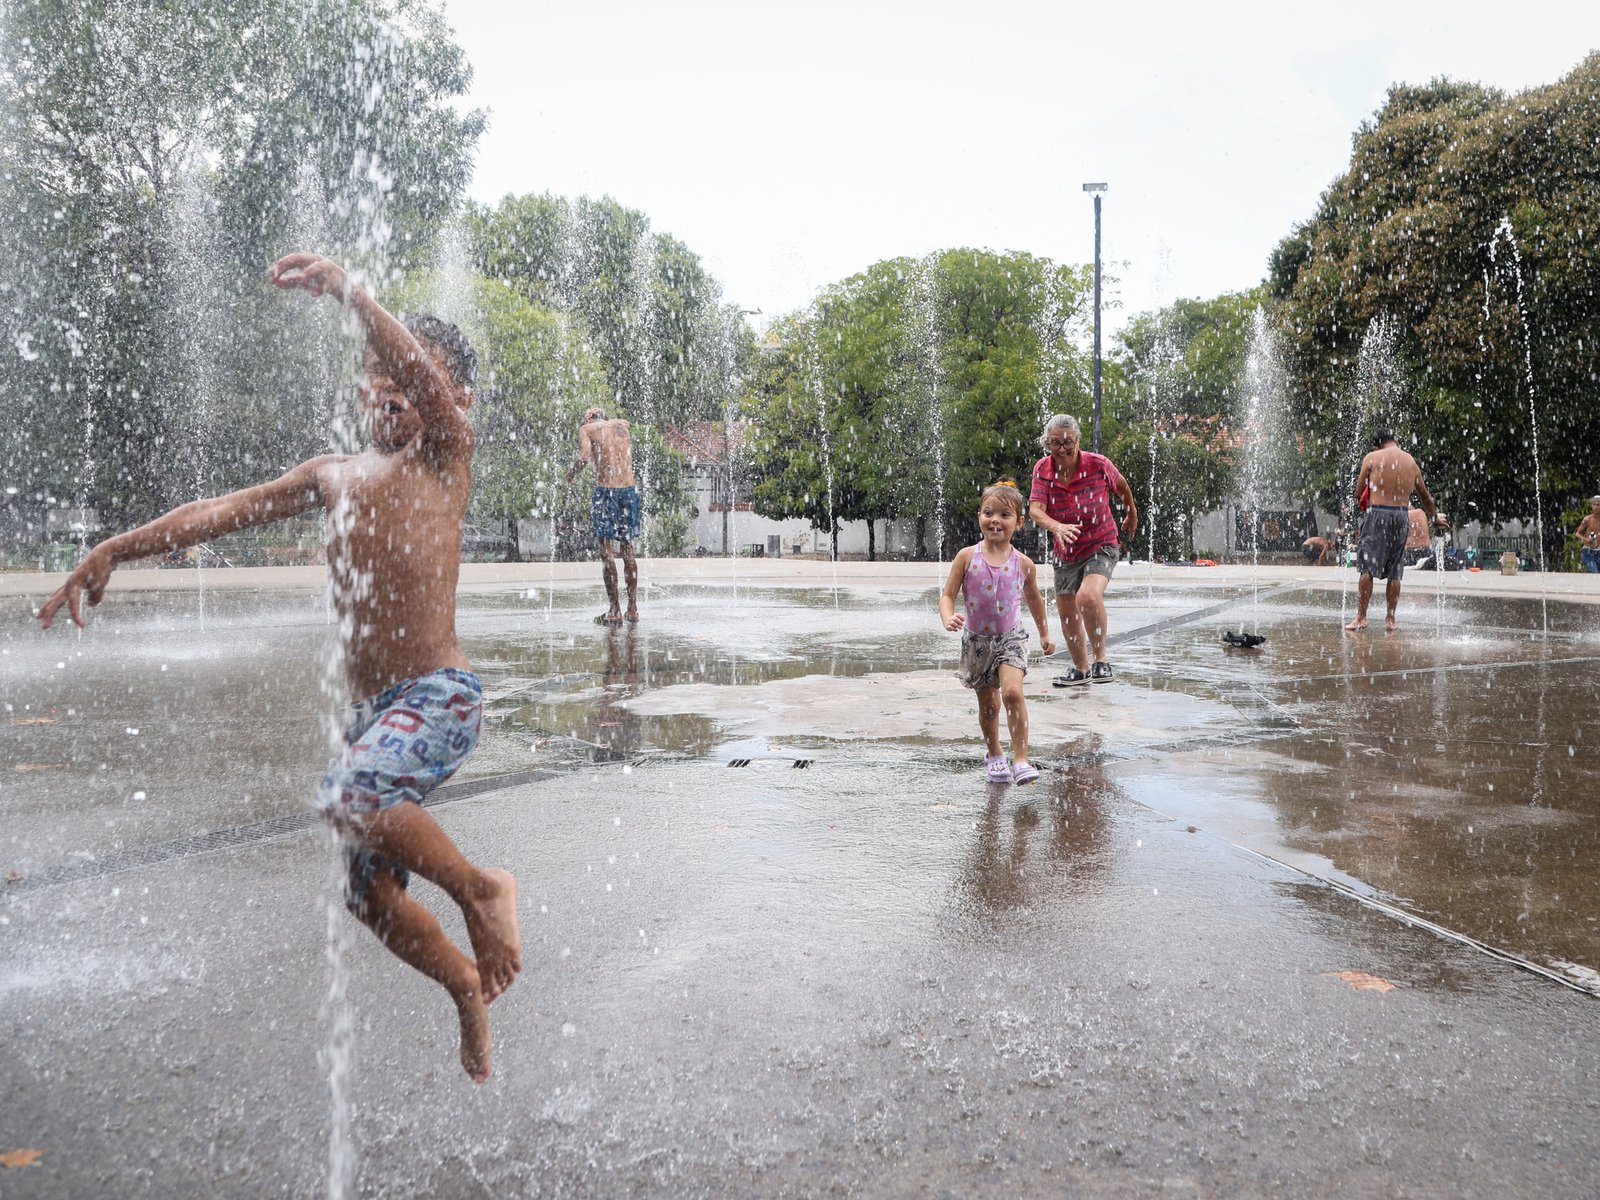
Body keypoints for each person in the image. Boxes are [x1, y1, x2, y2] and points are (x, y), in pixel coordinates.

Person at [35, 252, 521, 1083]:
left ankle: (479, 889)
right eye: (376, 377)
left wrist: (355, 297)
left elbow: (423, 382)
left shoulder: (445, 455)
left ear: (455, 398)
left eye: (411, 377)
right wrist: (117, 546)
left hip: (438, 696)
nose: (393, 389)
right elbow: (219, 511)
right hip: (373, 717)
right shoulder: (332, 476)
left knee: (350, 796)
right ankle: (465, 986)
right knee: (367, 896)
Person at [940, 481, 1056, 783]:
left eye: (1005, 515)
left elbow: (1035, 600)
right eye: (988, 513)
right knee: (989, 706)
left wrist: (1044, 634)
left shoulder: (1023, 564)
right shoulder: (967, 557)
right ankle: (994, 753)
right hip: (977, 642)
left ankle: (1021, 759)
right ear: (979, 515)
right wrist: (948, 616)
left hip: (1011, 639)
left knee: (1013, 693)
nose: (995, 520)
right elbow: (947, 595)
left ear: (1019, 522)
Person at [1027, 414, 1137, 686]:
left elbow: (1122, 486)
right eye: (1055, 443)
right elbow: (1035, 510)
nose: (1062, 449)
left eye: (1068, 442)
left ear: (1078, 440)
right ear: (1047, 443)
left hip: (1101, 542)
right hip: (1066, 550)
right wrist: (1057, 527)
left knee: (1087, 597)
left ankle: (1101, 660)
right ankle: (1081, 668)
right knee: (1066, 611)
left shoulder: (1098, 464)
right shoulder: (1042, 469)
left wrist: (1131, 513)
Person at [1344, 431, 1446, 632]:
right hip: (1401, 516)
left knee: (1367, 568)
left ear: (1377, 445)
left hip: (1377, 514)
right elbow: (1425, 496)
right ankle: (1390, 619)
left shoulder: (1372, 457)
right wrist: (1435, 517)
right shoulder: (1410, 461)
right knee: (1395, 571)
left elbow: (1358, 492)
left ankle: (1361, 617)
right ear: (1395, 440)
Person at [567, 407, 639, 624]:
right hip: (628, 490)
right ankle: (633, 608)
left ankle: (615, 609)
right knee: (627, 549)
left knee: (607, 552)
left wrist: (571, 473)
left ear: (588, 418)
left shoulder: (587, 429)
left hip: (606, 491)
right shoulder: (622, 424)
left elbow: (585, 457)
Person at [1575, 496, 1600, 573]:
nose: (1595, 507)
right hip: (1588, 551)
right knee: (1594, 573)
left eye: (1598, 505)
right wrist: (1586, 539)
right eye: (1594, 505)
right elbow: (1577, 533)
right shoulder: (1587, 519)